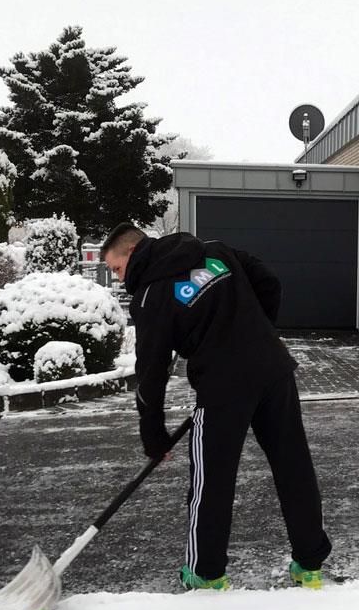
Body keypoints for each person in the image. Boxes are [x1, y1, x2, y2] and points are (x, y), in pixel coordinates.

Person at [101, 223, 331, 591]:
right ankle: (310, 564)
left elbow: (151, 373)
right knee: (294, 466)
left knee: (212, 481)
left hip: (223, 387)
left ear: (132, 252)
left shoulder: (150, 296)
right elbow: (269, 282)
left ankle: (205, 574)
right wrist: (257, 333)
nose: (118, 277)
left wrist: (154, 436)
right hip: (273, 369)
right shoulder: (215, 252)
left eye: (116, 268)